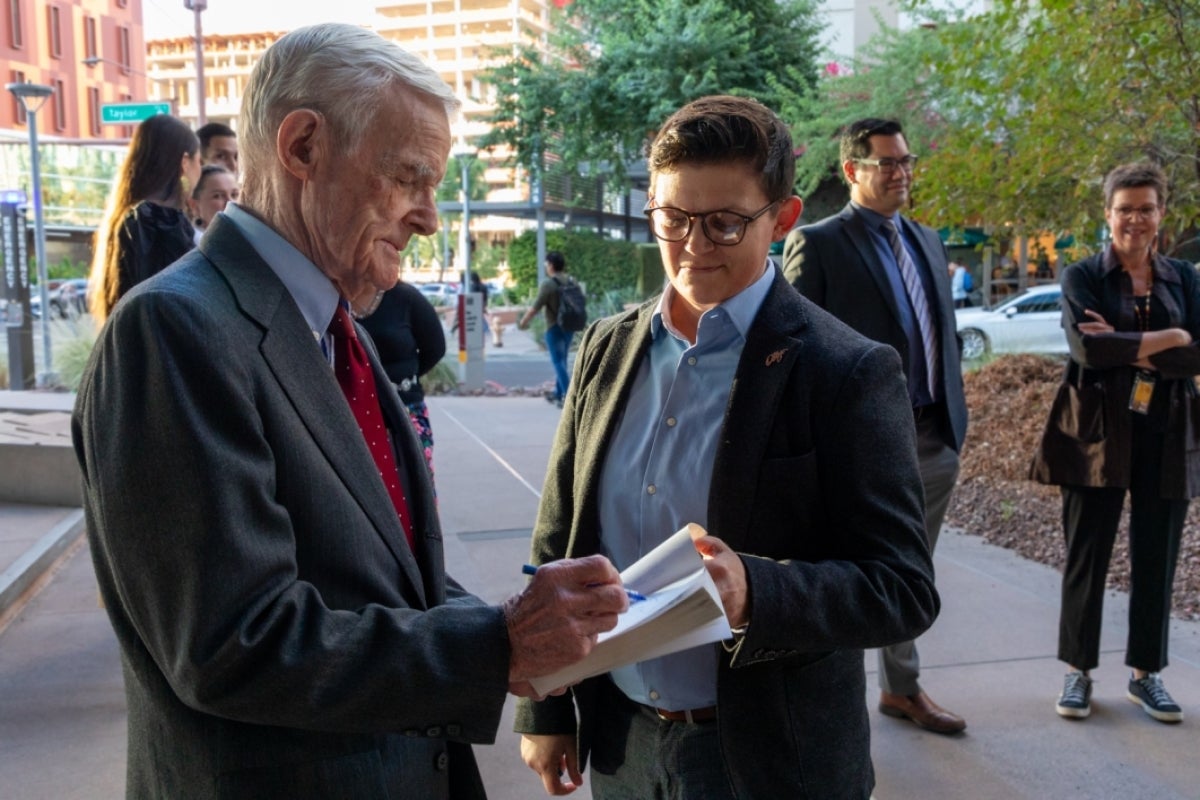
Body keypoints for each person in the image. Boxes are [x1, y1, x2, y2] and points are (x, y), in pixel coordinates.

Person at [73, 24, 628, 799]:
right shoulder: (173, 330)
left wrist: (526, 628)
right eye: (408, 177)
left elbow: (389, 581)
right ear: (302, 147)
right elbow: (234, 641)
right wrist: (494, 645)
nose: (429, 217)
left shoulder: (334, 323)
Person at [515, 95, 939, 799]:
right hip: (624, 744)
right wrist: (547, 702)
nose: (692, 248)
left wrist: (756, 591)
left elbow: (900, 588)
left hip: (769, 757)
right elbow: (561, 534)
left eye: (724, 224)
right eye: (672, 219)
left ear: (783, 218)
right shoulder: (605, 349)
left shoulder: (846, 371)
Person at [782, 117, 968, 735]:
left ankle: (901, 688)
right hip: (861, 443)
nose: (901, 173)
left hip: (935, 438)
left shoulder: (928, 240)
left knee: (911, 570)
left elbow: (941, 335)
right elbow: (791, 342)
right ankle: (832, 703)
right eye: (887, 163)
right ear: (851, 171)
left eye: (906, 161)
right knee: (850, 570)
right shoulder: (820, 242)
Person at [1031, 162, 1199, 724]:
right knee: (1087, 553)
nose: (1135, 218)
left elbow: (1196, 354)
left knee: (1159, 554)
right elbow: (1087, 351)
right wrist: (1170, 337)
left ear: (1161, 214)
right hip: (1096, 434)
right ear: (1108, 214)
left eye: (1146, 208)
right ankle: (1077, 671)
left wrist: (1133, 343)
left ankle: (1146, 675)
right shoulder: (1082, 275)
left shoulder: (1187, 279)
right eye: (1124, 208)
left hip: (1168, 430)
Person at [88, 114, 201, 324]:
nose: (200, 169)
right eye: (198, 161)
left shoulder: (125, 216)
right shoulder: (160, 222)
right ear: (185, 163)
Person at [360, 280, 447, 478]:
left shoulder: (405, 297)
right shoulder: (334, 300)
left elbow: (435, 347)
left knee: (416, 484)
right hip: (353, 414)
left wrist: (405, 379)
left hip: (406, 409)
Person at [517, 251, 574, 407]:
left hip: (554, 327)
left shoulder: (548, 284)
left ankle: (569, 398)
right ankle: (558, 393)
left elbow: (535, 307)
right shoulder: (570, 281)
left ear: (551, 265)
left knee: (557, 362)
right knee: (562, 360)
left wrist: (523, 322)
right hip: (569, 326)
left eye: (546, 263)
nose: (545, 266)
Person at [187, 163, 240, 245]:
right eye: (217, 196)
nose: (231, 202)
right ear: (194, 206)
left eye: (234, 194)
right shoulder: (190, 246)